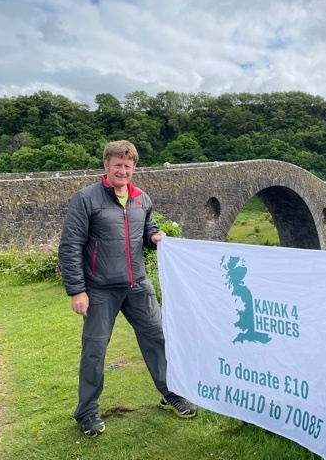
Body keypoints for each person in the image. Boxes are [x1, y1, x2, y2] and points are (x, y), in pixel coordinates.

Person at [58, 140, 197, 437]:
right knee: (94, 350)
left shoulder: (142, 198)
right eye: (117, 165)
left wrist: (155, 237)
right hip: (99, 289)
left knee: (159, 339)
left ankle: (170, 394)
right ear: (106, 166)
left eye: (128, 166)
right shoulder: (86, 199)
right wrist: (76, 290)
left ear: (134, 168)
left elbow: (147, 231)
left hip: (138, 286)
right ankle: (87, 412)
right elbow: (70, 246)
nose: (123, 170)